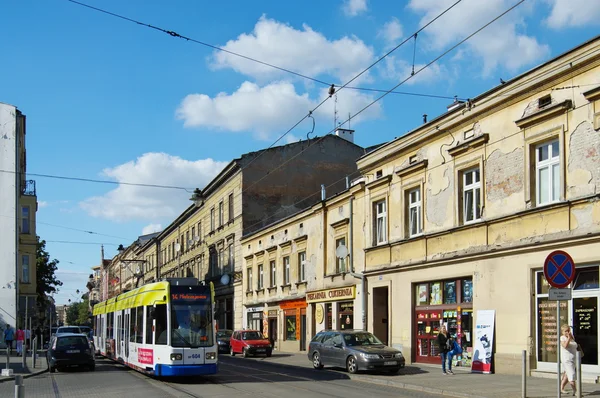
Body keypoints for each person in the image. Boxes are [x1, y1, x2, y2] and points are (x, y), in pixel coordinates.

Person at [560, 324, 578, 395]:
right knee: (572, 374)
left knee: (567, 375)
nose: (567, 332)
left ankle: (561, 388)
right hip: (566, 359)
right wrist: (568, 338)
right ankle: (575, 391)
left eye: (568, 330)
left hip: (573, 359)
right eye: (565, 331)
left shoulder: (571, 337)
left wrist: (570, 337)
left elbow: (575, 345)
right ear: (562, 332)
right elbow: (565, 346)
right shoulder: (562, 338)